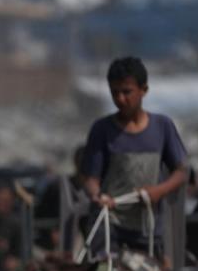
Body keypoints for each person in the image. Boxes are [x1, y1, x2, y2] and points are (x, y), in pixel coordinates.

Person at [81, 56, 189, 255]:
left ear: (143, 90)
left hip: (147, 227)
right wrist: (99, 196)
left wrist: (158, 191)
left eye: (126, 92)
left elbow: (182, 172)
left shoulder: (162, 126)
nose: (120, 99)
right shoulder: (102, 129)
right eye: (115, 93)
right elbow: (90, 179)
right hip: (109, 225)